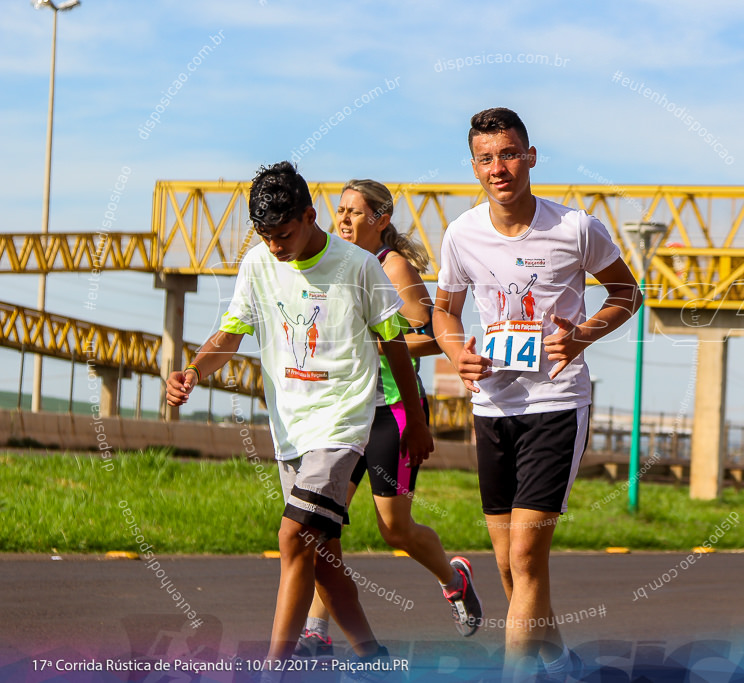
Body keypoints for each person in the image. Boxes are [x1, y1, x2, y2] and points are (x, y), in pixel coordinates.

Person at [165, 161, 433, 670]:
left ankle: (274, 668)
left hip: (343, 426)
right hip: (291, 430)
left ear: (311, 215)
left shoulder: (358, 265)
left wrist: (415, 423)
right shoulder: (258, 265)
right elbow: (230, 334)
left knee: (292, 538)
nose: (274, 245)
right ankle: (374, 660)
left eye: (283, 234)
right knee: (324, 565)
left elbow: (394, 341)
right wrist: (195, 371)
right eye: (264, 236)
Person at [432, 107, 642, 680]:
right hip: (492, 407)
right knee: (509, 567)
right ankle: (560, 661)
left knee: (526, 559)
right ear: (474, 166)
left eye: (508, 154)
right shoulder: (461, 234)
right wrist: (456, 352)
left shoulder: (575, 227)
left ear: (529, 156)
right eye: (485, 158)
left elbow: (628, 293)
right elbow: (444, 312)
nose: (498, 168)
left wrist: (581, 338)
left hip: (555, 404)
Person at [293, 179, 483, 659]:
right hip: (345, 411)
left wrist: (379, 340)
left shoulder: (392, 266)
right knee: (319, 523)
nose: (344, 220)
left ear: (381, 219)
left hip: (391, 411)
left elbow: (430, 335)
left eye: (355, 212)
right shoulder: (338, 262)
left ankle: (453, 578)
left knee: (393, 529)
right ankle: (316, 629)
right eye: (340, 211)